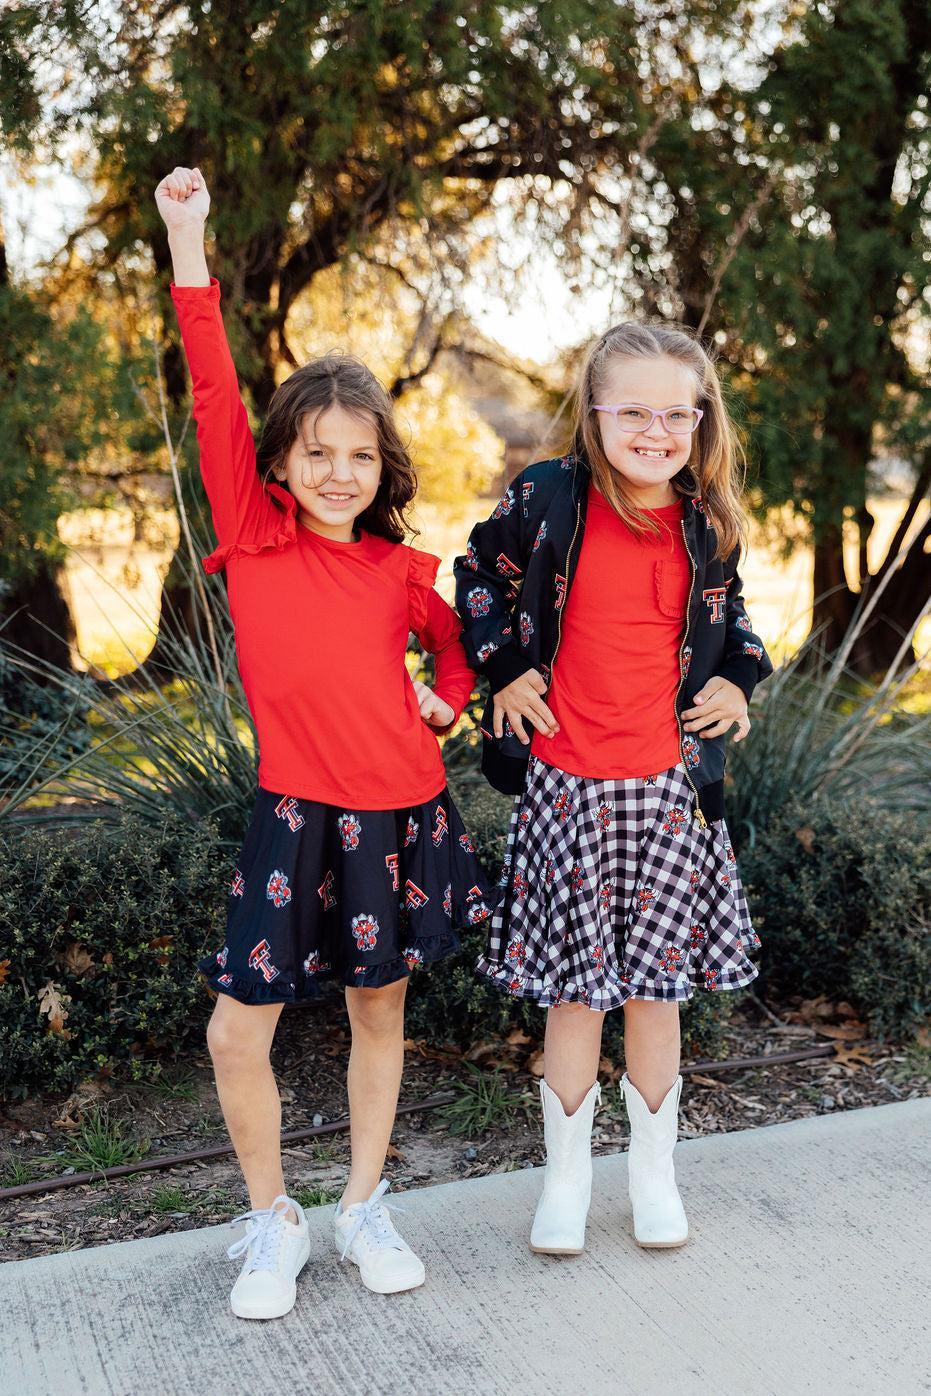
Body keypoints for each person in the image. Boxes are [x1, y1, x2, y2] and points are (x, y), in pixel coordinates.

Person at [156, 166, 493, 1317]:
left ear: (381, 466)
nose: (338, 471)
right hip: (292, 811)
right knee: (233, 1030)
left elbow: (454, 647)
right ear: (283, 463)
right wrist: (189, 235)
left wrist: (448, 694)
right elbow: (210, 388)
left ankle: (359, 1203)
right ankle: (271, 1221)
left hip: (399, 810)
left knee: (377, 1009)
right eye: (316, 452)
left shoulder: (401, 571)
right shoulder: (253, 541)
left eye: (359, 455)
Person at [454, 321, 773, 1256]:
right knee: (574, 996)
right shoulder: (549, 499)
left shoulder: (706, 521)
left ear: (699, 419)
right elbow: (475, 575)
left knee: (655, 995)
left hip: (668, 791)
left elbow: (736, 626)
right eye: (631, 410)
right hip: (565, 786)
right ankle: (564, 1181)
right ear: (594, 416)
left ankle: (650, 1175)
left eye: (675, 412)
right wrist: (505, 665)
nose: (653, 429)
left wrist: (734, 682)